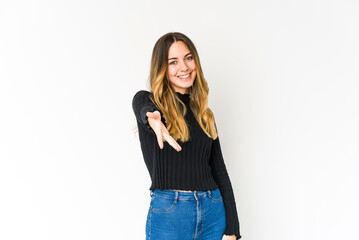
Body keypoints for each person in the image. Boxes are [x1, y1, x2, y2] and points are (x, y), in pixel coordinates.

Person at [132, 32, 242, 240]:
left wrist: (232, 228)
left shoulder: (204, 114)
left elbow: (220, 172)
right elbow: (140, 101)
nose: (184, 67)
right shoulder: (152, 105)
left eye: (188, 58)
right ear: (162, 69)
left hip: (213, 210)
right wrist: (152, 117)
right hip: (171, 213)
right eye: (173, 62)